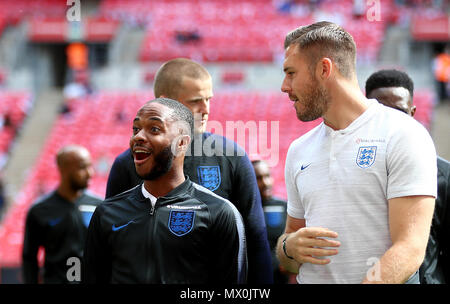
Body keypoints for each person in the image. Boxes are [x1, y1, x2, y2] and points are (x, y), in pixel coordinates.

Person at [276, 21, 437, 284]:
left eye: (291, 72)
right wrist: (287, 248)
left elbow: (409, 248)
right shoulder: (299, 149)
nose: (284, 86)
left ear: (324, 69)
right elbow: (290, 245)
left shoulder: (403, 134)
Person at [105, 58, 273, 283]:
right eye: (195, 101)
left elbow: (256, 243)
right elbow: (110, 243)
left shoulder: (232, 159)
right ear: (166, 104)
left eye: (208, 99)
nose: (205, 110)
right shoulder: (128, 164)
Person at [83, 98, 247, 283]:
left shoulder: (219, 212)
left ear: (182, 143)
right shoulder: (106, 212)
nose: (138, 137)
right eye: (136, 129)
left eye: (154, 129)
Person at [365, 68, 450, 284]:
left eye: (399, 112)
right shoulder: (349, 169)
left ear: (412, 113)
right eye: (381, 111)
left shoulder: (443, 175)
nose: (390, 120)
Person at [22, 145, 101, 284]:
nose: (90, 173)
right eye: (83, 167)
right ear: (63, 169)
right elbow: (29, 258)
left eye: (90, 166)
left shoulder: (99, 206)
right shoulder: (39, 211)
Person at [251, 158, 292, 284]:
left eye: (267, 176)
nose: (266, 182)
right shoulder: (242, 209)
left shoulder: (286, 207)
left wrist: (291, 263)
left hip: (280, 278)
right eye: (259, 178)